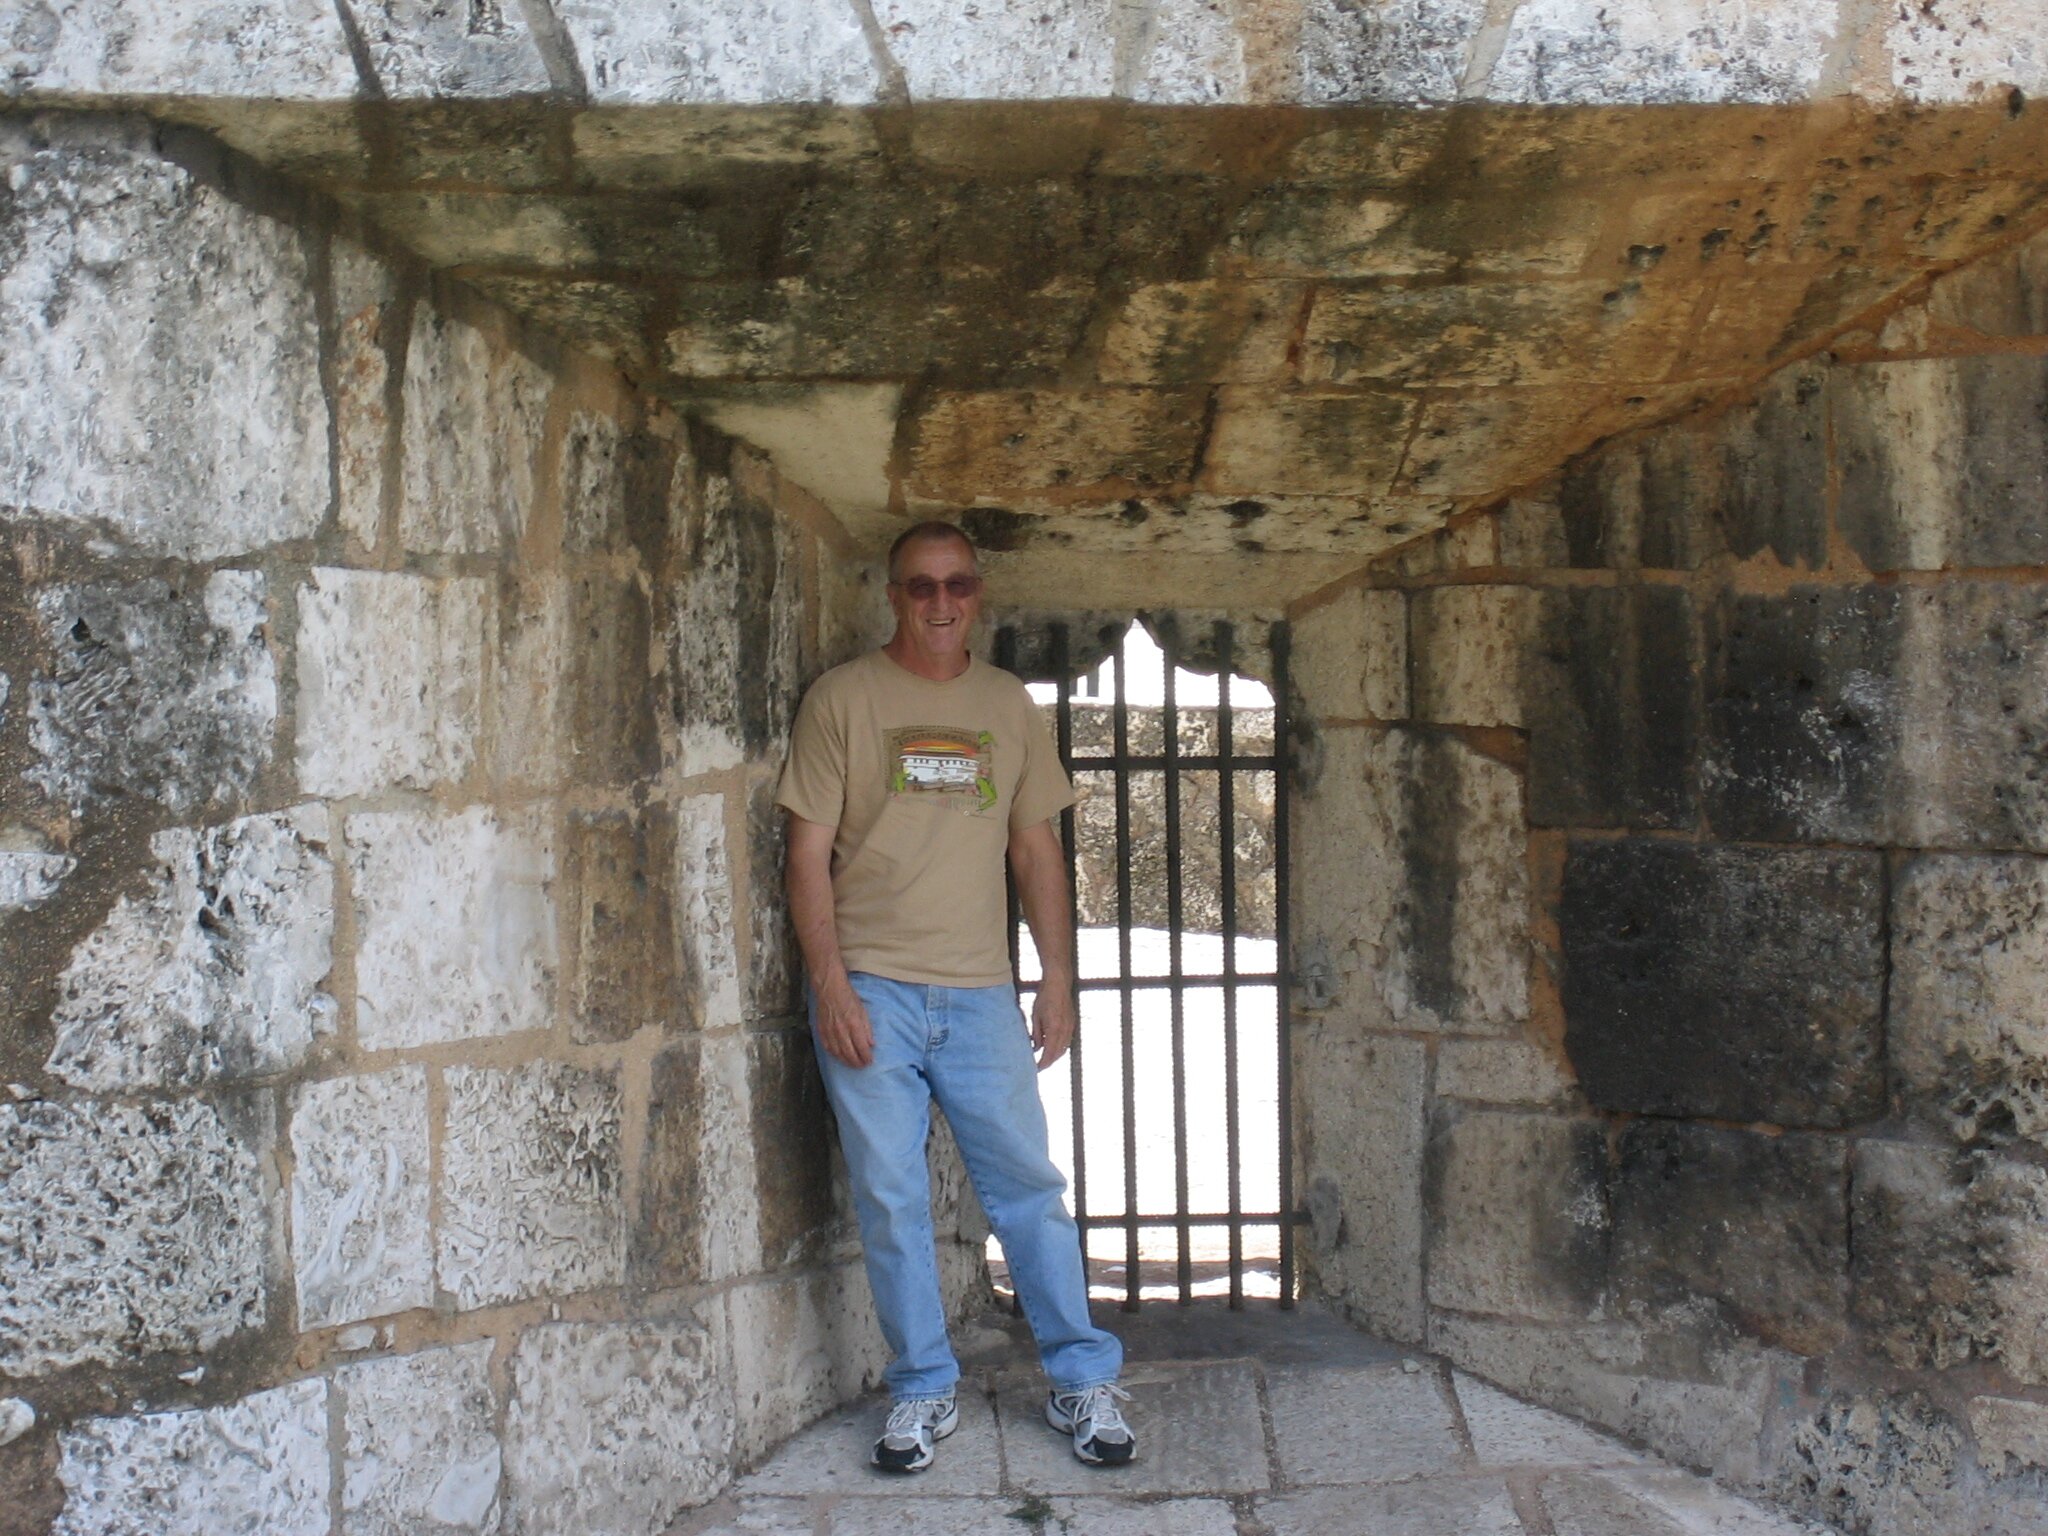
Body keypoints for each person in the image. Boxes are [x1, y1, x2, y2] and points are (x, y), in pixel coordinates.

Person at [776, 521, 1135, 1474]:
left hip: (980, 993)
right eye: (922, 586)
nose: (941, 603)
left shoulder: (1006, 704)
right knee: (890, 1198)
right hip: (872, 988)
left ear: (978, 594)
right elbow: (806, 855)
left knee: (1029, 1192)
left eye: (958, 585)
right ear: (894, 594)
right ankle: (923, 1390)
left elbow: (1035, 849)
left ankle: (1081, 1377)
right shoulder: (843, 699)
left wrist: (1057, 980)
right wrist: (831, 987)